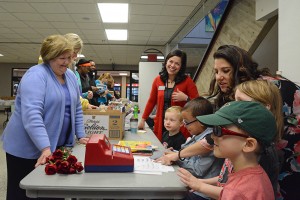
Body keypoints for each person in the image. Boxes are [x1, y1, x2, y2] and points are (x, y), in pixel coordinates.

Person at [1, 34, 89, 200]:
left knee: (52, 191)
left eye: (69, 58)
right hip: (26, 149)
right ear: (49, 57)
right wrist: (45, 148)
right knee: (23, 193)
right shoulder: (36, 76)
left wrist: (81, 135)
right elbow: (32, 115)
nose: (67, 62)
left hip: (54, 146)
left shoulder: (69, 76)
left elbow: (76, 107)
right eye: (62, 58)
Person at [155, 45, 272, 165]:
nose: (218, 77)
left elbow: (211, 137)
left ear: (241, 70)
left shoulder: (257, 93)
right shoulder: (231, 95)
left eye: (226, 71)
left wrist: (178, 155)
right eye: (216, 72)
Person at [176, 80, 284, 199]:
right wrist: (199, 184)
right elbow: (228, 185)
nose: (212, 136)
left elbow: (235, 193)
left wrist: (200, 186)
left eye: (219, 131)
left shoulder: (262, 163)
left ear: (248, 144)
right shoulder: (246, 171)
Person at [138, 49, 199, 141]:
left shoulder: (187, 81)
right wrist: (143, 119)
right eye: (171, 61)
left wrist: (186, 98)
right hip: (161, 124)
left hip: (179, 128)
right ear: (166, 62)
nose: (173, 65)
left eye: (177, 63)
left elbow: (198, 104)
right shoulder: (158, 80)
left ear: (181, 66)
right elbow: (151, 101)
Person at [178, 97, 223, 200]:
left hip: (203, 194)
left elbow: (197, 170)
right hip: (195, 186)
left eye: (187, 122)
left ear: (201, 121)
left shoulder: (210, 139)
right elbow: (188, 156)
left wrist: (177, 158)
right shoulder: (197, 134)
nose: (184, 126)